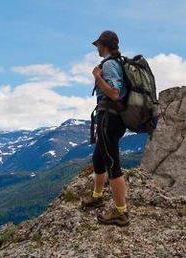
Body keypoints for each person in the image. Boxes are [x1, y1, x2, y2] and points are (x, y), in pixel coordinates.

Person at [81, 30, 129, 226]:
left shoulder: (109, 64)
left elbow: (115, 93)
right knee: (98, 159)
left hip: (110, 119)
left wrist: (97, 76)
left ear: (105, 45)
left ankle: (121, 212)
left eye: (99, 45)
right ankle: (97, 196)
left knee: (112, 164)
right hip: (109, 119)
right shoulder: (115, 63)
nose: (97, 48)